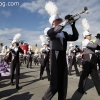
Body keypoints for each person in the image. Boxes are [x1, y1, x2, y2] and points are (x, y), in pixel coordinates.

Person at [42, 1, 79, 100]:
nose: (60, 21)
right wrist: (66, 21)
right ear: (53, 22)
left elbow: (75, 37)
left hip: (63, 57)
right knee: (54, 85)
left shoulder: (64, 33)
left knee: (63, 85)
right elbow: (55, 31)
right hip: (55, 55)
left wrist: (73, 25)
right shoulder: (48, 30)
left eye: (60, 19)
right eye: (58, 20)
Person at [77, 31, 100, 95]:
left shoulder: (89, 41)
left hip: (92, 58)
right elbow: (94, 46)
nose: (91, 36)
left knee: (95, 76)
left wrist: (99, 40)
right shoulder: (85, 41)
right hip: (88, 58)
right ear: (86, 36)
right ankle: (80, 88)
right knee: (84, 75)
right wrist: (98, 39)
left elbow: (97, 46)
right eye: (89, 35)